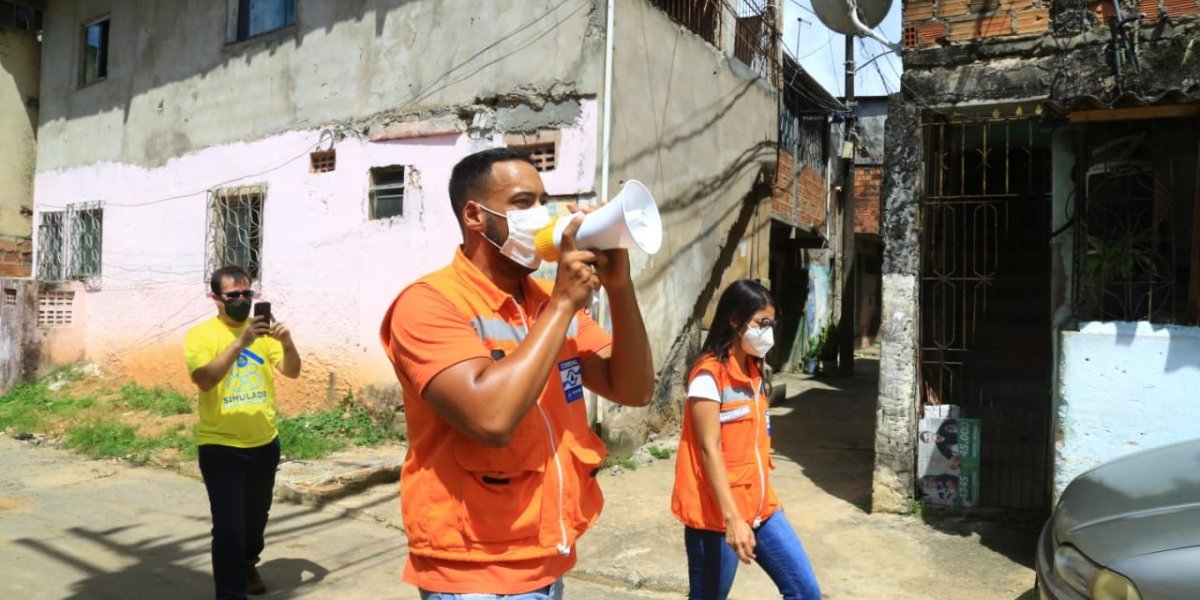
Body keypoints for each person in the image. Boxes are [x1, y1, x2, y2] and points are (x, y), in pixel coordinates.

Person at [379, 148, 655, 599]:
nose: (541, 215)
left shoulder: (546, 299)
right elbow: (491, 419)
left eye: (544, 201)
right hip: (474, 572)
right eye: (523, 203)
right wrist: (564, 304)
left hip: (546, 557)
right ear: (475, 215)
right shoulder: (428, 303)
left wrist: (620, 288)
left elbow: (635, 388)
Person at [671, 279, 821, 600]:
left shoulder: (754, 370)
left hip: (762, 510)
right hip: (717, 517)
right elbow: (708, 450)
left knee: (805, 591)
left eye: (771, 324)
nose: (767, 332)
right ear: (735, 320)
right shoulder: (708, 375)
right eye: (761, 323)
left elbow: (754, 447)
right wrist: (733, 519)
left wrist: (769, 497)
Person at [185, 266, 302, 600]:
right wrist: (241, 342)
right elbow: (204, 379)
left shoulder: (265, 336)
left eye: (247, 294)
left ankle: (248, 563)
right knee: (228, 526)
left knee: (255, 518)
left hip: (265, 442)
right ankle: (231, 592)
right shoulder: (201, 335)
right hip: (220, 446)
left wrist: (288, 342)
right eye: (233, 295)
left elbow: (292, 372)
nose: (241, 300)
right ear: (215, 298)